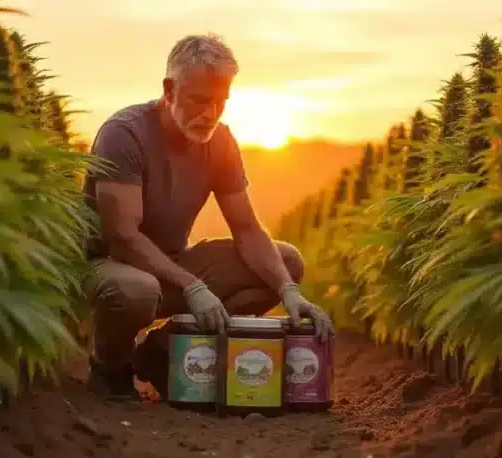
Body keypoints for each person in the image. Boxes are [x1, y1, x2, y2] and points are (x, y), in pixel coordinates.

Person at [82, 33, 335, 399]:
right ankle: (110, 368)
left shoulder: (221, 142)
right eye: (199, 100)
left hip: (170, 266)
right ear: (169, 90)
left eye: (220, 102)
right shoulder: (124, 134)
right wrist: (192, 286)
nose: (209, 114)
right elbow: (122, 236)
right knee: (137, 290)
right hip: (112, 266)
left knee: (284, 262)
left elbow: (246, 228)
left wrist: (289, 291)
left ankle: (160, 353)